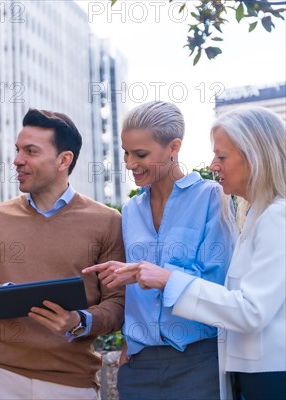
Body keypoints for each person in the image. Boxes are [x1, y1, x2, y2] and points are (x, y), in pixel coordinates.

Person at [115, 106, 286, 400]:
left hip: (254, 372)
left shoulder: (272, 216)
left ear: (254, 156)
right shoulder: (256, 215)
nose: (213, 164)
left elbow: (250, 310)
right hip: (246, 373)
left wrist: (168, 279)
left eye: (221, 156)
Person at [0, 108, 125, 400]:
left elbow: (118, 305)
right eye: (18, 150)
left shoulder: (107, 221)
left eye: (30, 151)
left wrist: (79, 321)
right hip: (1, 378)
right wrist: (4, 297)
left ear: (64, 160)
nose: (17, 160)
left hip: (73, 384)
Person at [83, 101, 237, 400]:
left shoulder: (212, 197)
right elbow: (130, 295)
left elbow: (218, 283)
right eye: (126, 152)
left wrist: (158, 275)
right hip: (139, 366)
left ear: (173, 147)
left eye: (140, 154)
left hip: (198, 361)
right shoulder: (130, 210)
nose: (129, 163)